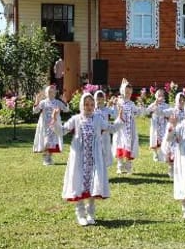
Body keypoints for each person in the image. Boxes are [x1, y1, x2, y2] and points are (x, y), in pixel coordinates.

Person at [51, 93, 124, 226]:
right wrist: (55, 120)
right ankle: (80, 214)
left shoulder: (98, 119)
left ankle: (90, 213)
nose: (89, 107)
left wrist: (120, 118)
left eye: (91, 104)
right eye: (86, 104)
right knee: (79, 182)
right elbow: (62, 131)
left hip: (94, 158)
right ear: (81, 105)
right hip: (79, 158)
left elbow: (111, 128)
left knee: (92, 184)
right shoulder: (76, 119)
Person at [112, 78, 145, 175]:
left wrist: (141, 106)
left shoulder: (131, 104)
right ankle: (120, 166)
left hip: (129, 129)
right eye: (126, 92)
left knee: (129, 146)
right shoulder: (119, 101)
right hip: (120, 128)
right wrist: (114, 105)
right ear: (122, 91)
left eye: (130, 93)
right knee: (120, 144)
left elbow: (138, 112)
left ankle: (128, 166)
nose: (128, 94)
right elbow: (114, 113)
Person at [33, 85, 69, 166]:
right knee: (46, 142)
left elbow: (66, 109)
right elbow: (35, 111)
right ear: (46, 93)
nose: (51, 93)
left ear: (55, 93)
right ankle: (46, 158)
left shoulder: (58, 102)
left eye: (52, 92)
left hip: (54, 125)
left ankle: (49, 157)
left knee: (53, 142)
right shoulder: (43, 102)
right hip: (45, 126)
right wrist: (37, 100)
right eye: (49, 92)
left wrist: (65, 101)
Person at [160, 92, 185, 177]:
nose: (181, 102)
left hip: (182, 134)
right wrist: (156, 107)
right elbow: (162, 112)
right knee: (171, 150)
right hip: (173, 133)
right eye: (180, 100)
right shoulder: (173, 110)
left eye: (183, 100)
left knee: (181, 151)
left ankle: (180, 170)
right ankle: (171, 168)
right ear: (176, 101)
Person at [94, 90, 118, 167]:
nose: (99, 101)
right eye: (98, 99)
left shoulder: (106, 109)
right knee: (97, 150)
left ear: (104, 99)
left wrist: (114, 105)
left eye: (101, 99)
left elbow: (115, 115)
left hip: (105, 134)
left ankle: (104, 166)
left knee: (105, 149)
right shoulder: (93, 110)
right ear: (95, 99)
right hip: (96, 134)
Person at [146, 89, 170, 162]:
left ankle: (162, 154)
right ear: (156, 96)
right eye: (159, 95)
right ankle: (155, 154)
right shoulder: (153, 104)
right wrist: (154, 104)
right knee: (155, 139)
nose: (161, 97)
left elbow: (169, 113)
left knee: (163, 139)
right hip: (155, 124)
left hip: (163, 125)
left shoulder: (166, 105)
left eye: (162, 95)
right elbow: (148, 110)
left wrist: (167, 116)